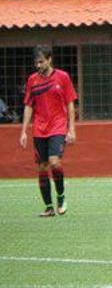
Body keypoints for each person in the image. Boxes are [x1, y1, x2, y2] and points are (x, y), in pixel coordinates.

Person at [18, 46, 77, 217]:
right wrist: (24, 131)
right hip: (39, 128)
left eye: (41, 61)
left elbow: (70, 104)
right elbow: (29, 106)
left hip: (58, 126)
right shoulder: (32, 80)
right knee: (42, 167)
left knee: (54, 162)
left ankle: (61, 196)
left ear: (50, 59)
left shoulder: (62, 77)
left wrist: (71, 129)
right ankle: (49, 208)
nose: (38, 65)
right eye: (36, 62)